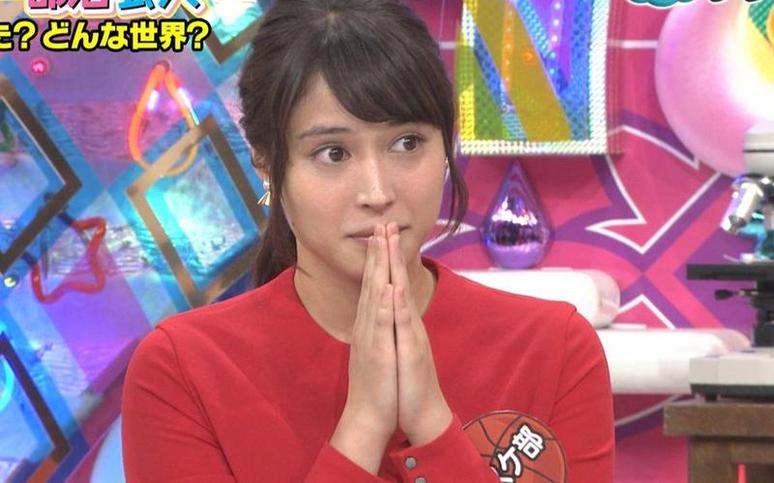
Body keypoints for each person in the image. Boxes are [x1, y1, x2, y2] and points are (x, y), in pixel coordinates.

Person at [121, 0, 614, 481]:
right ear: (267, 164)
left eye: (407, 143)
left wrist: (431, 424)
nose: (377, 193)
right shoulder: (182, 370)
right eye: (333, 153)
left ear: (447, 144)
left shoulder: (555, 349)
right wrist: (364, 424)